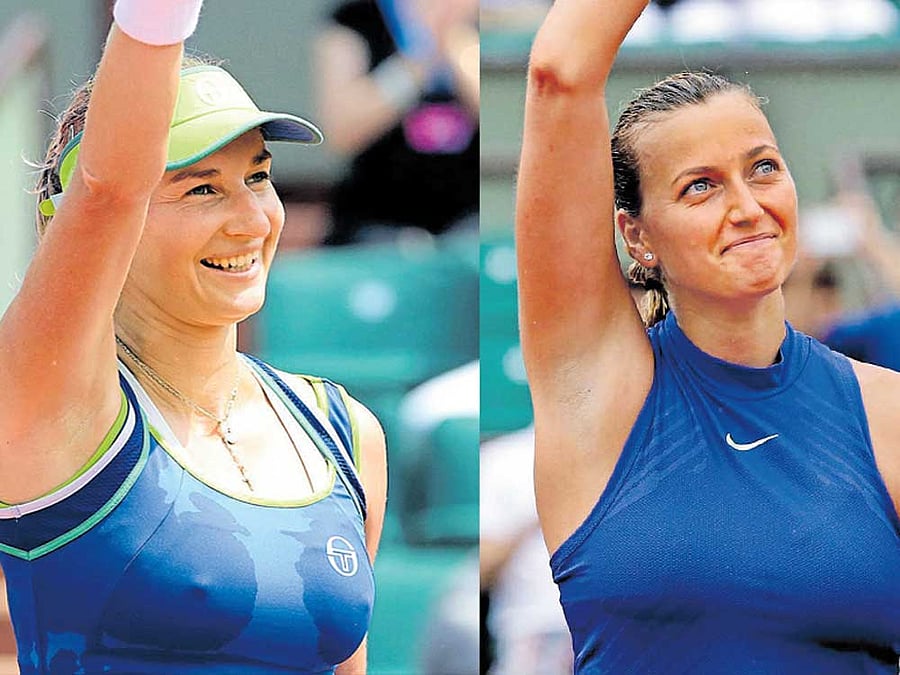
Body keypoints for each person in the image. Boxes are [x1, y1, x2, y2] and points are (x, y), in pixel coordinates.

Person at [0, 1, 386, 673]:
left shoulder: (346, 431)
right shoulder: (49, 399)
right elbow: (106, 188)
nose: (251, 220)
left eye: (258, 177)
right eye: (201, 188)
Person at [515, 1, 900, 672]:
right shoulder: (602, 398)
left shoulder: (887, 414)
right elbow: (560, 70)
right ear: (637, 235)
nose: (749, 207)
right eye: (701, 187)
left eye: (764, 168)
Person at [315, 0, 479, 245]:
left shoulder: (489, 18)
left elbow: (512, 128)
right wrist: (419, 60)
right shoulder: (354, 19)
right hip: (378, 224)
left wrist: (456, 45)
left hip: (470, 223)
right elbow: (341, 133)